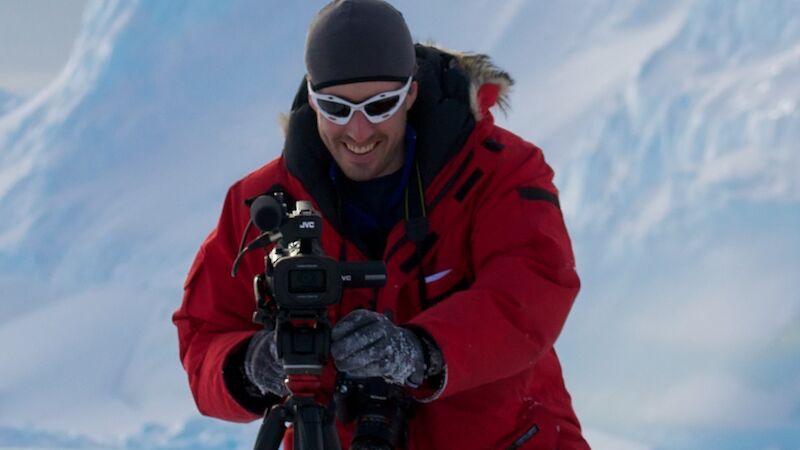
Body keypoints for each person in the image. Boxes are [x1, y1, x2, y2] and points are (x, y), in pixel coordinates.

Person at [173, 0, 589, 448]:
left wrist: (424, 350)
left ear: (411, 92)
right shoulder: (262, 203)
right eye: (336, 108)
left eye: (380, 105)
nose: (358, 132)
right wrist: (246, 366)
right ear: (312, 98)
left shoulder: (500, 172)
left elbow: (531, 289)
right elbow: (204, 333)